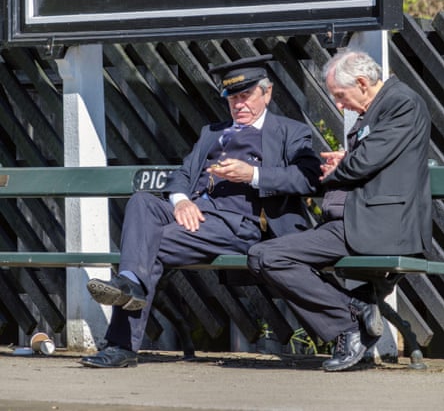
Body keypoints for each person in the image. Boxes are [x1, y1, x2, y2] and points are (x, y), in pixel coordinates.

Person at [81, 54, 321, 368]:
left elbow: (308, 178)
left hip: (243, 223)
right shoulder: (212, 132)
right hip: (196, 216)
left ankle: (122, 343)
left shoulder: (291, 132)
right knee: (142, 202)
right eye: (232, 98)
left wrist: (252, 175)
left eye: (246, 96)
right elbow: (182, 174)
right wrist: (180, 201)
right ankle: (130, 283)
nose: (239, 105)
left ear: (268, 93)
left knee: (148, 245)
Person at [248, 50, 432, 372]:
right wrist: (345, 158)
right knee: (262, 255)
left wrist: (342, 164)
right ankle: (354, 311)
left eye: (340, 95)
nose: (339, 105)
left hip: (379, 224)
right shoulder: (379, 107)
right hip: (356, 220)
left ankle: (348, 324)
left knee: (267, 257)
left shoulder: (402, 103)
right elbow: (370, 159)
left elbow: (364, 163)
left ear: (362, 83)